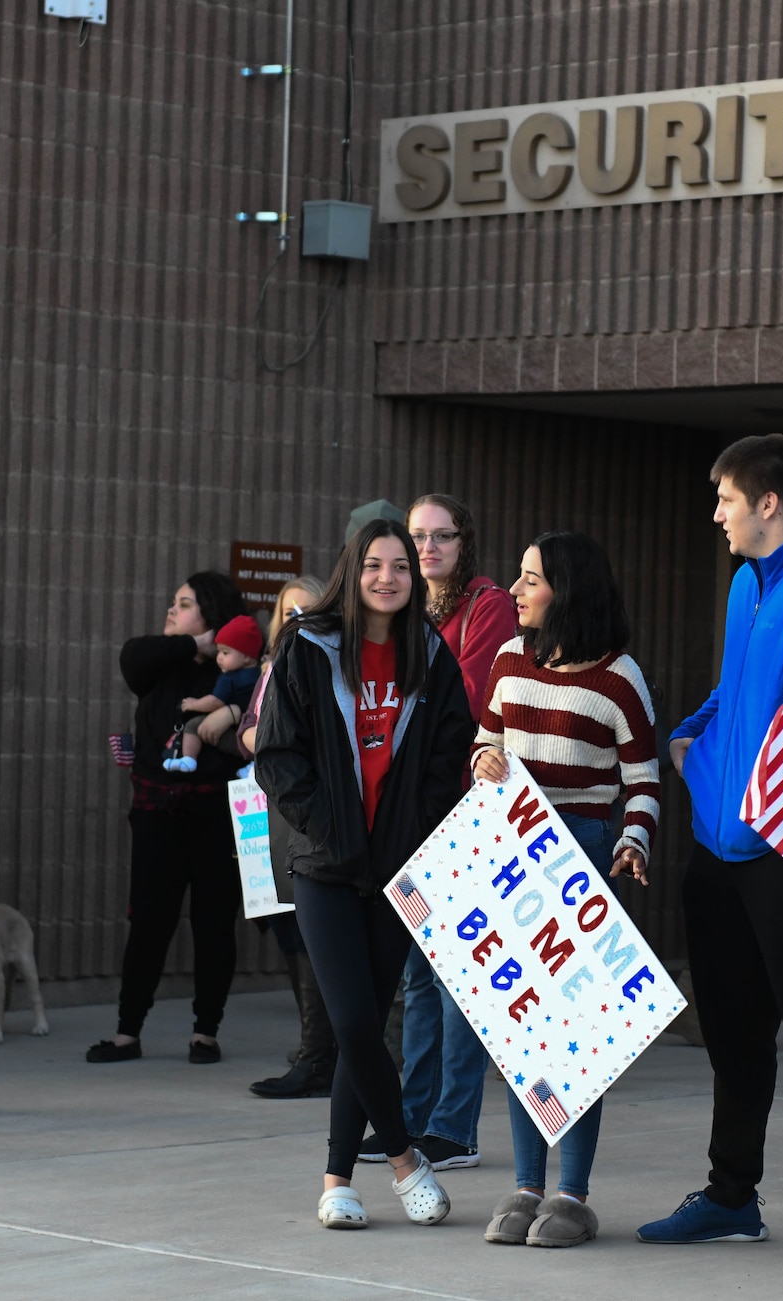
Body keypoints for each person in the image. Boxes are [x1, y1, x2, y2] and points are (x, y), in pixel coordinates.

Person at [642, 434, 783, 1269]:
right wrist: (688, 738)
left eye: (726, 499)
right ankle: (732, 1195)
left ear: (767, 503)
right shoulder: (748, 581)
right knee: (733, 1034)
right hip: (718, 849)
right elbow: (735, 687)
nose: (716, 513)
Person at [253, 519, 475, 1230]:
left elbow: (449, 758)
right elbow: (278, 755)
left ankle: (337, 1179)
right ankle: (406, 1157)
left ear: (415, 579)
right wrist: (327, 825)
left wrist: (412, 833)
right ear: (352, 572)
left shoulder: (431, 658)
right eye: (374, 564)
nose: (388, 577)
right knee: (351, 1018)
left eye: (401, 567)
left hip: (398, 868)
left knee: (368, 1021)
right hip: (324, 864)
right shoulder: (309, 646)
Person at [471, 530, 659, 1248]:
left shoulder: (621, 676)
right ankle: (525, 1185)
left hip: (584, 852)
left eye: (529, 580)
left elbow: (643, 780)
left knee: (575, 1037)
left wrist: (633, 840)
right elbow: (485, 740)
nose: (514, 591)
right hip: (510, 850)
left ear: (567, 590)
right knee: (520, 1033)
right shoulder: (510, 657)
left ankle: (571, 1193)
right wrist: (484, 762)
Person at [362, 493, 515, 1171]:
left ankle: (455, 1125)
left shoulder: (488, 604)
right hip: (411, 810)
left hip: (463, 808)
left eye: (441, 536)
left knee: (458, 979)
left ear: (465, 540)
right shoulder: (405, 607)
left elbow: (467, 698)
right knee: (419, 980)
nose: (427, 549)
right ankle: (412, 1118)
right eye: (417, 536)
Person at [89, 571, 250, 1065]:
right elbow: (131, 658)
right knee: (149, 922)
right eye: (173, 602)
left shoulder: (236, 673)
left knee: (214, 922)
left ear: (211, 613)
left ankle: (206, 1031)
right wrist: (192, 643)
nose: (170, 611)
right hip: (157, 814)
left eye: (183, 604)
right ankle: (127, 1032)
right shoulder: (159, 660)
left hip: (214, 813)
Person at [238, 576, 335, 1100]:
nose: (296, 618)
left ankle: (322, 1055)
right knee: (289, 928)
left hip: (313, 812)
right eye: (287, 611)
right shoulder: (272, 666)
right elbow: (251, 730)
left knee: (317, 928)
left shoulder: (326, 663)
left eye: (307, 609)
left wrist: (270, 739)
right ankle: (312, 1048)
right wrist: (262, 737)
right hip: (273, 811)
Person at [166, 615, 263, 768]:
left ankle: (189, 759)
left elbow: (215, 702)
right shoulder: (262, 672)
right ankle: (254, 763)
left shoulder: (228, 678)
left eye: (225, 653)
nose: (219, 658)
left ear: (245, 656)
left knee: (193, 726)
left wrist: (194, 704)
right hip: (253, 722)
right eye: (218, 652)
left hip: (230, 723)